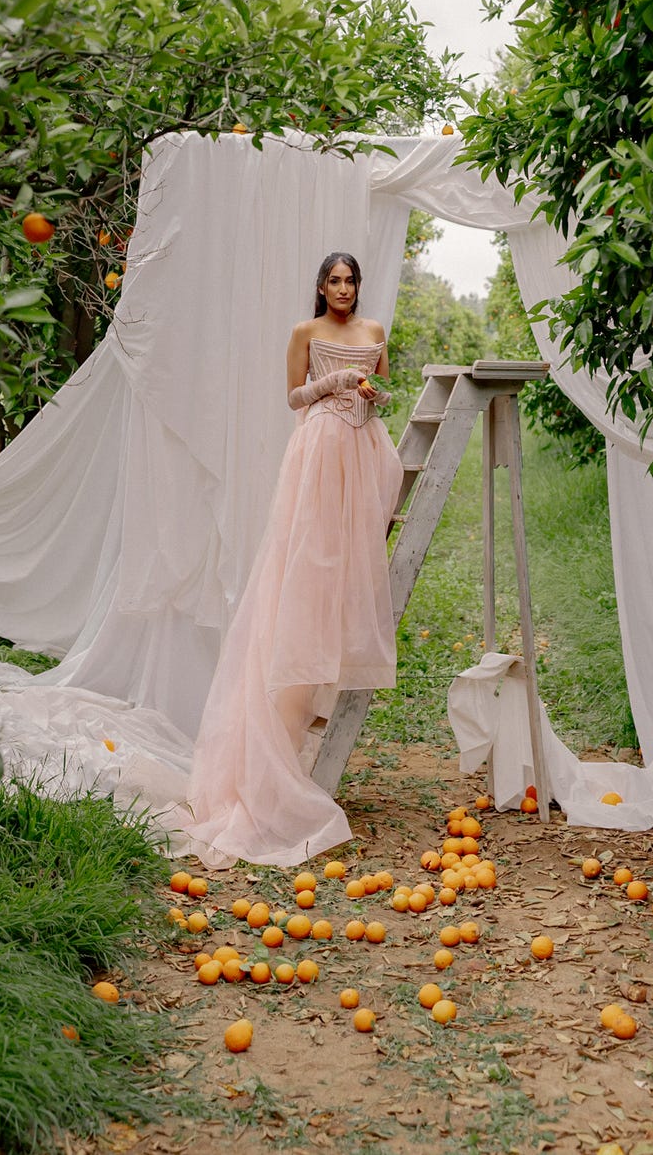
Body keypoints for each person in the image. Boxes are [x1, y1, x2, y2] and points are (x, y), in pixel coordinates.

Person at [181, 253, 404, 867]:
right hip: (316, 448)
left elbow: (381, 392)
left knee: (344, 562)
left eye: (349, 280)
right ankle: (283, 716)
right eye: (332, 280)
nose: (341, 289)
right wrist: (332, 385)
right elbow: (292, 398)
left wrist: (368, 393)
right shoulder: (306, 333)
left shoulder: (374, 331)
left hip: (359, 448)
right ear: (320, 287)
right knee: (305, 563)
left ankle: (326, 667)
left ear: (359, 286)